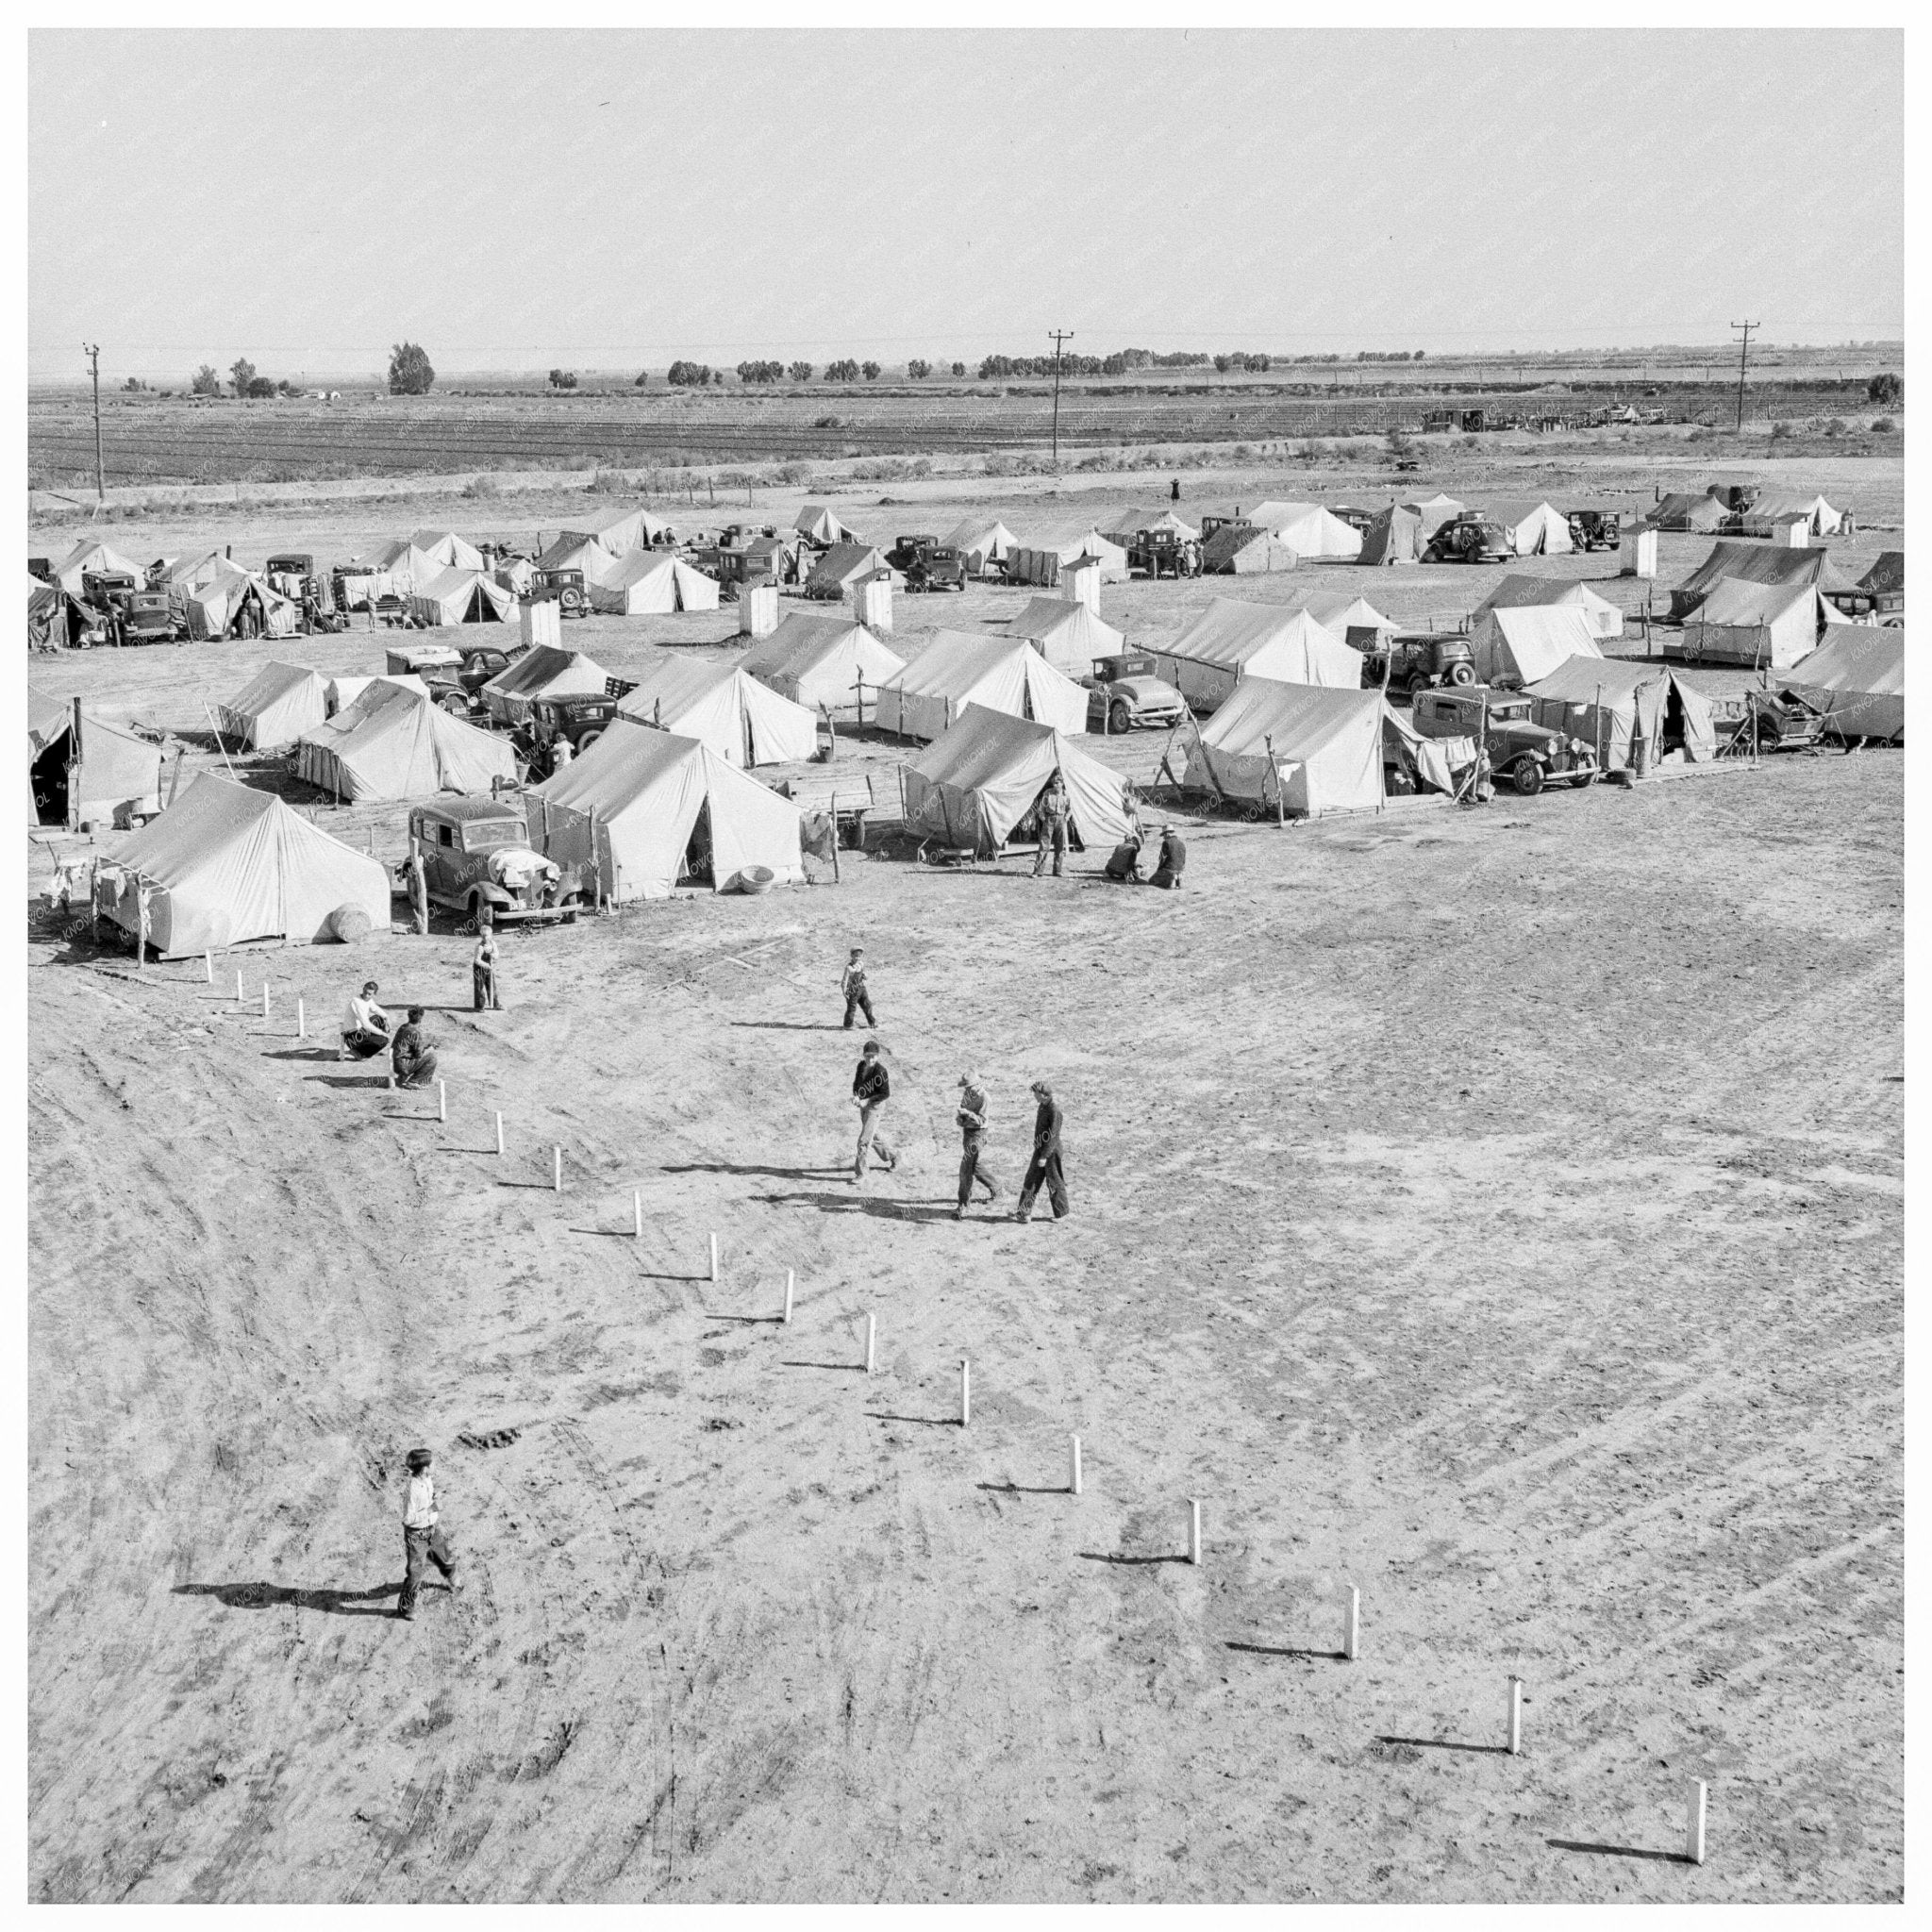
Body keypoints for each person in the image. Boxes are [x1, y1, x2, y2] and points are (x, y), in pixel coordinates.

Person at [395, 1446, 457, 1621]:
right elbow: (407, 1519)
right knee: (415, 1573)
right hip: (416, 1536)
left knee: (445, 1555)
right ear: (425, 1468)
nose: (435, 1465)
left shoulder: (427, 1479)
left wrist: (434, 1497)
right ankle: (406, 1608)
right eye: (433, 1463)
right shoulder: (411, 1490)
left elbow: (428, 1500)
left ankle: (453, 1577)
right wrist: (431, 1508)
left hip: (433, 1529)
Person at [1015, 1079, 1069, 1224]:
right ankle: (1023, 1213)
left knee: (1054, 1181)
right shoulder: (1042, 1107)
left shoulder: (1054, 1111)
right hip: (1040, 1150)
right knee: (1031, 1179)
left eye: (1036, 1093)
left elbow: (1053, 1135)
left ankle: (1062, 1213)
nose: (1034, 1096)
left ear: (1044, 1095)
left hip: (1051, 1152)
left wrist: (1045, 1156)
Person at [954, 1073, 1000, 1220]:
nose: (967, 1090)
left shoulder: (985, 1098)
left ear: (978, 1084)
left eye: (970, 1087)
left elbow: (981, 1121)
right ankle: (997, 1188)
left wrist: (968, 1113)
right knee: (973, 1165)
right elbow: (962, 1110)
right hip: (968, 1133)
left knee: (965, 1169)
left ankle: (963, 1205)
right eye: (966, 1088)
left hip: (978, 1135)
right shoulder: (968, 1093)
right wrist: (961, 1118)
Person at [851, 1038, 897, 1182]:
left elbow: (885, 1093)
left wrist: (867, 1101)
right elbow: (856, 1083)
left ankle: (862, 1173)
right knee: (873, 1135)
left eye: (873, 1056)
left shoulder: (881, 1071)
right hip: (863, 1106)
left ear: (878, 1056)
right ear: (863, 1056)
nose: (870, 1059)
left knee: (863, 1141)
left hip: (875, 1108)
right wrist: (856, 1096)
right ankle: (894, 1156)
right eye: (868, 1056)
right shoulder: (861, 1066)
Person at [340, 980, 391, 1060]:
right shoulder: (357, 1001)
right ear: (363, 989)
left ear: (374, 994)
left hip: (359, 1031)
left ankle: (370, 1047)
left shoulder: (368, 1000)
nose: (366, 996)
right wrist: (383, 1034)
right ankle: (358, 1052)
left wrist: (386, 1017)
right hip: (352, 1037)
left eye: (369, 994)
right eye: (365, 992)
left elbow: (375, 1009)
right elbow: (366, 1025)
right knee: (384, 1040)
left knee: (380, 1019)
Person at [1032, 774, 1070, 878]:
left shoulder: (1066, 795)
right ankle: (1038, 871)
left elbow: (1070, 808)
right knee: (1044, 845)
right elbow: (1041, 808)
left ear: (1062, 783)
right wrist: (1044, 818)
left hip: (1061, 820)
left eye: (1057, 783)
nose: (1055, 785)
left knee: (1059, 846)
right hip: (1049, 819)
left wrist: (1066, 817)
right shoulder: (1048, 793)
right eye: (1053, 783)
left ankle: (1057, 870)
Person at [391, 1006, 438, 1089]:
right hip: (403, 1066)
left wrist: (425, 1045)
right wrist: (429, 1046)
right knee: (432, 1054)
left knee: (424, 1051)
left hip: (394, 1064)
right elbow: (418, 1054)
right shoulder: (415, 1032)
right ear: (421, 1018)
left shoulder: (403, 1027)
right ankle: (415, 1081)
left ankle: (402, 1077)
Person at [841, 946, 875, 1030]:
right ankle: (848, 1025)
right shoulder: (849, 967)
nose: (857, 958)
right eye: (855, 956)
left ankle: (872, 1022)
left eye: (859, 956)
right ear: (851, 956)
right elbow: (844, 981)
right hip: (852, 991)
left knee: (867, 1005)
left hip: (861, 988)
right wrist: (844, 991)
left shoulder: (861, 964)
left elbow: (863, 974)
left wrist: (865, 976)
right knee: (852, 1008)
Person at [1149, 824, 1188, 891]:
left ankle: (1169, 882)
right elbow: (1183, 859)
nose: (1163, 837)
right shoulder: (1181, 843)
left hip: (1169, 870)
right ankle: (1176, 883)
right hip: (1180, 870)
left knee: (1151, 881)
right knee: (1175, 874)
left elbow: (1162, 859)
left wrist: (1159, 870)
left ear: (1167, 834)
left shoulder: (1166, 843)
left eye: (1163, 835)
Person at [472, 924, 501, 1012]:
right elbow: (477, 960)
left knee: (491, 985)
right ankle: (479, 1006)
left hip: (489, 967)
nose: (485, 938)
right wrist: (486, 965)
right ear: (481, 936)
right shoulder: (480, 947)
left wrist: (494, 956)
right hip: (479, 968)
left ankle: (495, 1004)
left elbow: (497, 954)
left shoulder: (493, 944)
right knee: (479, 987)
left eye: (487, 935)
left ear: (491, 935)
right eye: (483, 936)